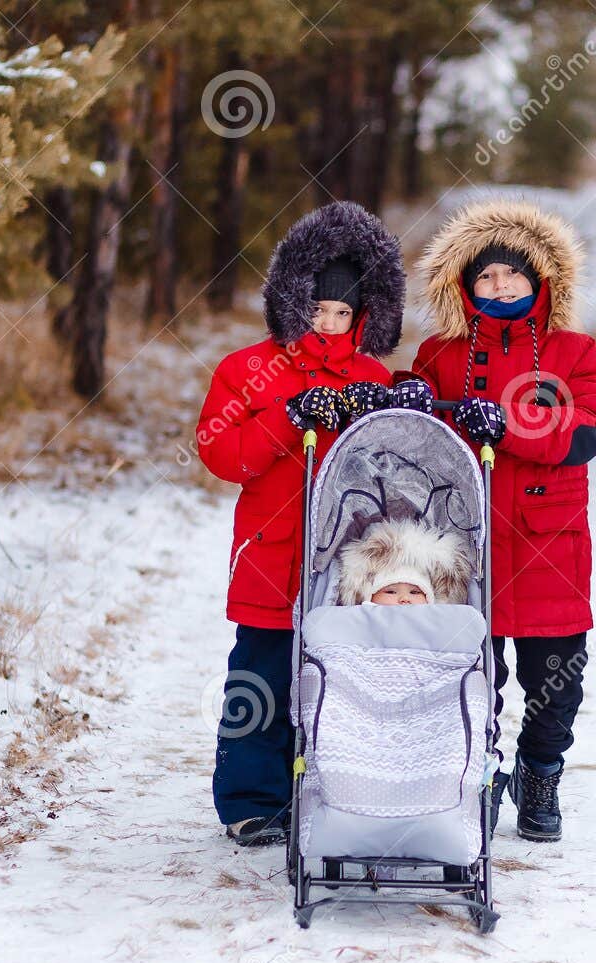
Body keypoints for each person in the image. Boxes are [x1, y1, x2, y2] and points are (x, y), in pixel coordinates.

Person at [195, 201, 405, 847]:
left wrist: (388, 407)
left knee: (337, 678)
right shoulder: (250, 369)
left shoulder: (371, 375)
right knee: (260, 675)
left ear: (364, 315)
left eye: (343, 313)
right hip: (270, 553)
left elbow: (398, 467)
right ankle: (252, 800)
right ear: (293, 300)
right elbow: (220, 451)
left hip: (343, 561)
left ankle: (334, 789)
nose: (329, 323)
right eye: (319, 310)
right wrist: (290, 416)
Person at [409, 200, 596, 843]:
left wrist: (515, 426)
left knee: (556, 680)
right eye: (486, 277)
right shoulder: (441, 353)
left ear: (540, 280)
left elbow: (592, 427)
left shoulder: (574, 351)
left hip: (548, 542)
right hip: (464, 542)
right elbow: (418, 432)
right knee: (472, 676)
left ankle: (540, 773)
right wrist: (419, 400)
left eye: (512, 275)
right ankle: (478, 773)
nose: (500, 286)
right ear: (464, 287)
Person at [335, 518, 474, 608]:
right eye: (390, 591)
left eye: (415, 592)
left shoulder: (434, 623)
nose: (404, 599)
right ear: (370, 597)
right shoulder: (361, 619)